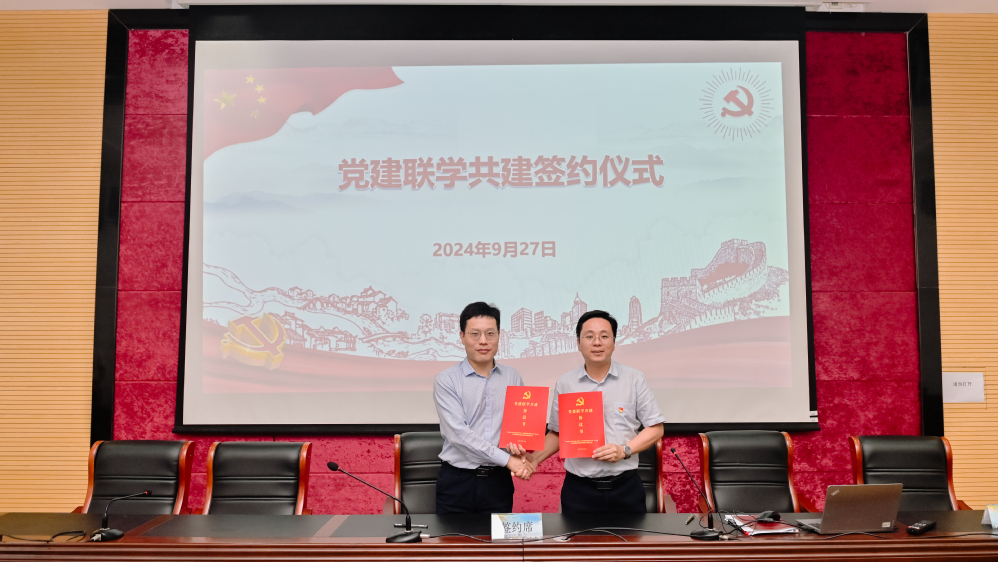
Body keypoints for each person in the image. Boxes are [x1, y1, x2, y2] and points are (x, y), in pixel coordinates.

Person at [522, 310, 665, 514]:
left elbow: (656, 428)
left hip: (626, 488)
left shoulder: (634, 379)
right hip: (579, 490)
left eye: (604, 336)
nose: (597, 342)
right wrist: (534, 459)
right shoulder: (566, 383)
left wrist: (624, 450)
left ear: (614, 342)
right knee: (576, 537)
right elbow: (557, 433)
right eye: (589, 336)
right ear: (578, 343)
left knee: (630, 537)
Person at [433, 302, 534, 514]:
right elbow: (458, 435)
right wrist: (508, 460)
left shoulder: (512, 377)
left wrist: (518, 448)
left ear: (499, 335)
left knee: (498, 537)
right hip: (457, 482)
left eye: (490, 333)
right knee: (453, 537)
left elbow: (519, 427)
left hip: (498, 482)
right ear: (462, 336)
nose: (483, 341)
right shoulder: (447, 380)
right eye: (475, 334)